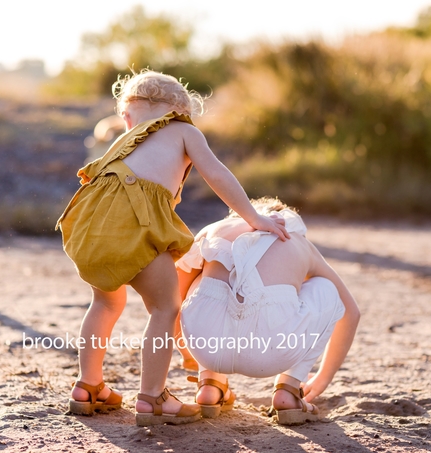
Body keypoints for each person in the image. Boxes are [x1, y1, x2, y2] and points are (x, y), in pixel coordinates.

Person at [56, 70, 289, 426]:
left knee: (105, 302)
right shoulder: (184, 130)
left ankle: (87, 387)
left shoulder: (123, 141)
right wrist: (254, 217)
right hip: (135, 228)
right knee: (165, 308)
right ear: (181, 109)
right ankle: (152, 398)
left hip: (91, 227)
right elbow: (218, 174)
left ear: (129, 114)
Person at [175, 198, 360, 425]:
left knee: (200, 280)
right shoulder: (299, 242)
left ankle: (209, 384)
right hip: (272, 352)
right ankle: (289, 390)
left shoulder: (217, 229)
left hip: (206, 347)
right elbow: (351, 312)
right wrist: (322, 378)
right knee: (326, 289)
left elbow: (174, 298)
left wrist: (189, 354)